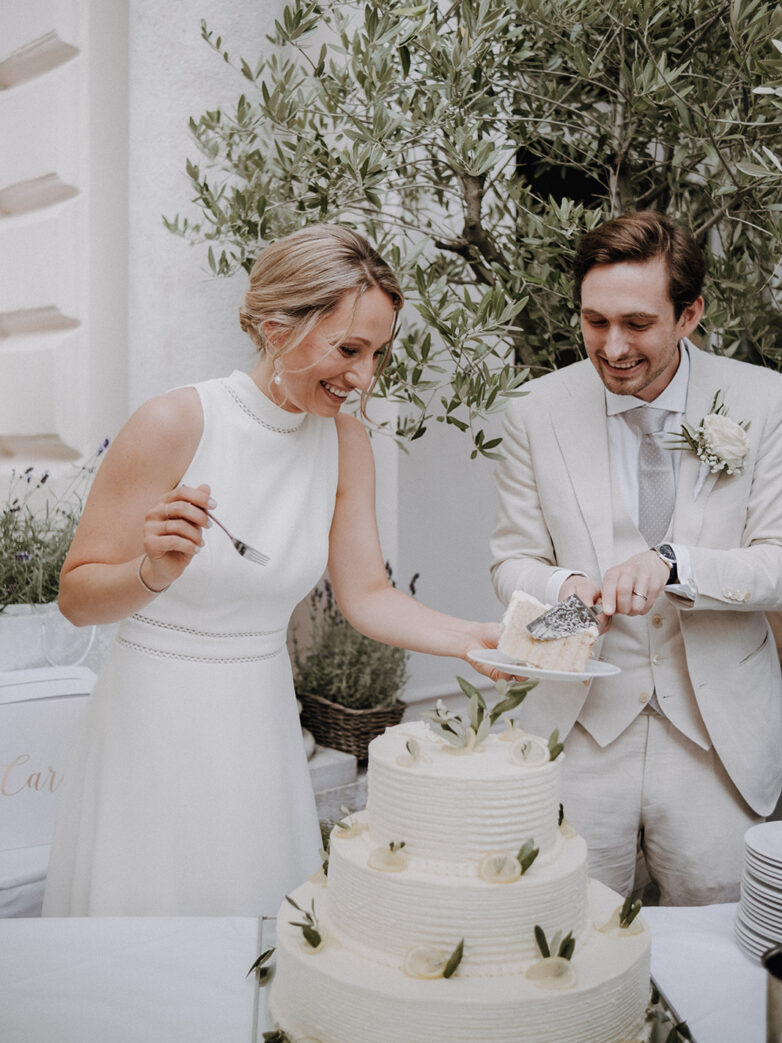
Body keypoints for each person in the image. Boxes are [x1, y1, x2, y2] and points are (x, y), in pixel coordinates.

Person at [42, 224, 500, 917]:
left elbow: (369, 593)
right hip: (154, 725)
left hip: (260, 723)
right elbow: (76, 597)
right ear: (275, 326)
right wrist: (150, 571)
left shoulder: (345, 442)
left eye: (376, 352)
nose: (364, 376)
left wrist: (474, 638)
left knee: (254, 934)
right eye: (348, 348)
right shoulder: (174, 421)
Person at [490, 211, 782, 906]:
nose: (612, 346)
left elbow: (777, 560)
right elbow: (511, 562)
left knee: (724, 939)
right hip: (580, 728)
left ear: (690, 314)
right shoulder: (535, 411)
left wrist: (678, 565)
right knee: (563, 932)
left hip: (718, 740)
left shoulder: (766, 403)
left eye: (637, 323)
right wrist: (567, 585)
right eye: (595, 322)